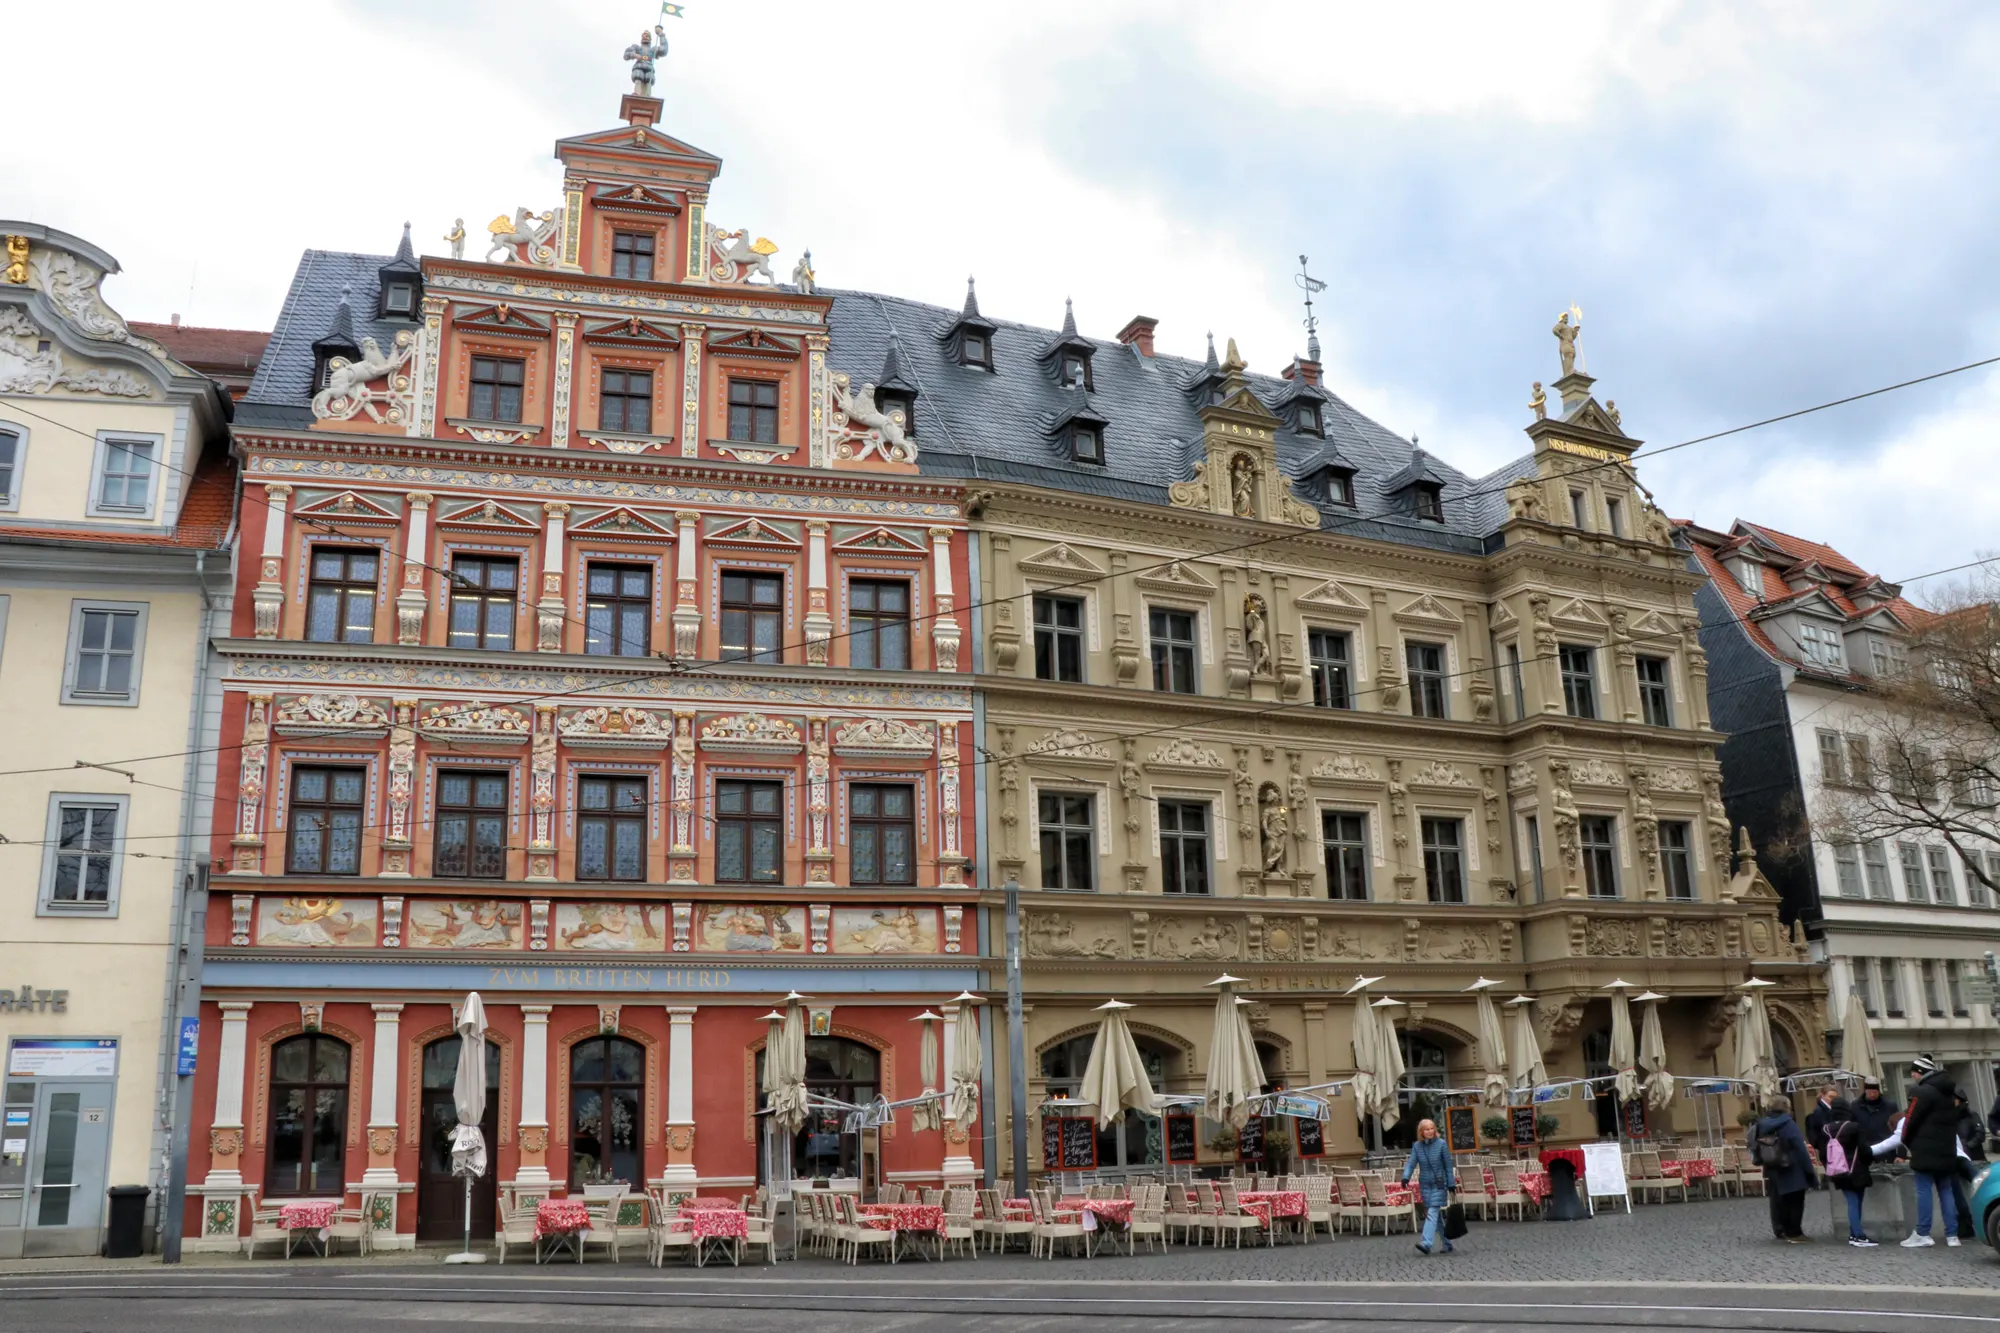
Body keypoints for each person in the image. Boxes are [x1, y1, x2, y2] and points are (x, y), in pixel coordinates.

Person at [1897, 1055, 1962, 1248]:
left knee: (1923, 1190)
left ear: (1921, 1073)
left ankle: (1923, 1232)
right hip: (1946, 1148)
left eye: (1914, 1073)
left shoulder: (1921, 1091)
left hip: (1925, 1149)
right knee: (1946, 1190)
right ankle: (1952, 1235)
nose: (1913, 1077)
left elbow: (1910, 1119)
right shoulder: (1949, 1092)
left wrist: (1906, 1141)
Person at [1752, 1096, 1813, 1243]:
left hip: (1772, 1166)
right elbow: (1799, 1146)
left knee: (1780, 1200)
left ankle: (1782, 1230)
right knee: (1796, 1200)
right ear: (1787, 1107)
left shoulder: (1762, 1124)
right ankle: (1795, 1232)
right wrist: (1809, 1169)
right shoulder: (1788, 1124)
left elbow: (1755, 1146)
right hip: (1791, 1165)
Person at [1400, 1117, 1461, 1256]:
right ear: (1421, 1132)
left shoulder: (1441, 1144)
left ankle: (1426, 1243)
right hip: (1425, 1184)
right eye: (1426, 1129)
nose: (1430, 1131)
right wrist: (1405, 1176)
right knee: (1435, 1216)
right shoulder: (1417, 1146)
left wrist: (1451, 1183)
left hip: (1440, 1183)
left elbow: (1448, 1165)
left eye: (1432, 1128)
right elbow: (1411, 1163)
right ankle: (1447, 1243)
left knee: (1432, 1212)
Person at [1824, 1102, 1878, 1247]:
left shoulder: (1827, 1129)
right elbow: (1864, 1149)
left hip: (1837, 1170)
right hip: (1856, 1169)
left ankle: (1854, 1233)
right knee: (1856, 1202)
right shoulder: (1854, 1127)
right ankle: (1858, 1235)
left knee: (1851, 1201)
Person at [1804, 1085, 1841, 1187]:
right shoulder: (1820, 1111)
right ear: (1823, 1096)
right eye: (1830, 1097)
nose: (1833, 1100)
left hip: (1828, 1147)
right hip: (1828, 1147)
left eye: (1835, 1097)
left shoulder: (1828, 1109)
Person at [1848, 1076, 1896, 1145]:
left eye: (1875, 1092)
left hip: (1886, 1147)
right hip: (1865, 1148)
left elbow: (1899, 1129)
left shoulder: (1890, 1106)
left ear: (1879, 1091)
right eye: (1869, 1092)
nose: (1872, 1095)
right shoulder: (1855, 1106)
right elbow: (1852, 1129)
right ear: (1865, 1091)